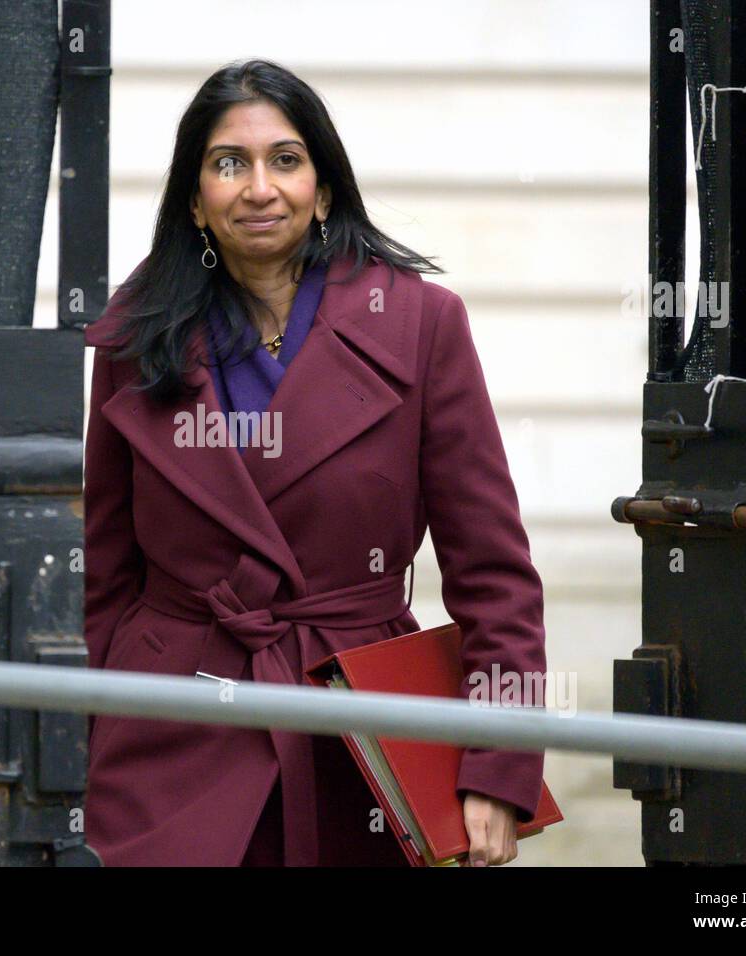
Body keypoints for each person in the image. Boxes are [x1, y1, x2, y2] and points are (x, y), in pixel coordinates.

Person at [82, 58, 547, 867]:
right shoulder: (134, 336)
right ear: (195, 199)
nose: (258, 187)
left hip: (352, 731)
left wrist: (498, 769)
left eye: (285, 160)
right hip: (168, 732)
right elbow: (106, 573)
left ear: (324, 189)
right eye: (229, 163)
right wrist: (92, 731)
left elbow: (494, 573)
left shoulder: (420, 324)